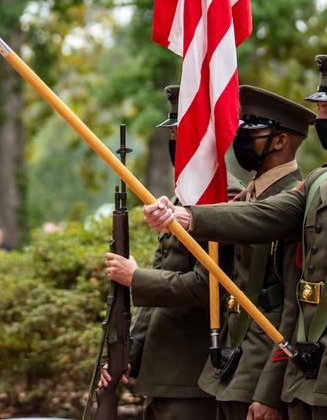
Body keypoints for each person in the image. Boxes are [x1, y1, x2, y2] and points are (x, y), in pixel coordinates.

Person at [143, 56, 327, 420]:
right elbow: (265, 215)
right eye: (320, 109)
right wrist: (186, 215)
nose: (321, 119)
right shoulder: (320, 180)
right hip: (304, 366)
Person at [195, 85, 314, 420]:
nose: (241, 137)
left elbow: (294, 304)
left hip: (262, 364)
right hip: (231, 359)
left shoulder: (294, 200)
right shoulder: (248, 196)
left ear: (279, 141)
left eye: (253, 130)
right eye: (240, 128)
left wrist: (269, 391)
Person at [102, 84, 220, 419]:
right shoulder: (182, 201)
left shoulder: (220, 200)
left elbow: (206, 285)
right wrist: (129, 355)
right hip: (162, 373)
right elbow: (154, 306)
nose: (175, 143)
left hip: (193, 374)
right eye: (172, 134)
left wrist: (137, 277)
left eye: (183, 133)